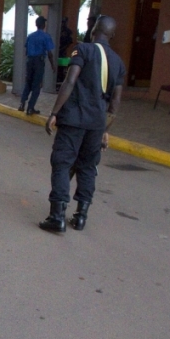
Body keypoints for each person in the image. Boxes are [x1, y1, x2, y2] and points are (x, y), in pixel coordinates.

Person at [40, 15, 124, 233]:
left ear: (93, 29)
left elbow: (70, 81)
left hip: (74, 119)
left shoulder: (83, 50)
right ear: (112, 35)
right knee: (87, 167)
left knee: (62, 163)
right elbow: (115, 103)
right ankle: (80, 216)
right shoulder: (118, 62)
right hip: (97, 123)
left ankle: (57, 217)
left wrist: (54, 112)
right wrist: (105, 130)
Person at [19, 16, 55, 115]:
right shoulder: (46, 36)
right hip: (39, 61)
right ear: (44, 25)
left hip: (30, 61)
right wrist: (53, 65)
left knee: (28, 83)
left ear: (36, 25)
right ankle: (30, 108)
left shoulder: (30, 36)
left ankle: (22, 104)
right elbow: (50, 53)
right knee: (36, 85)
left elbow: (26, 51)